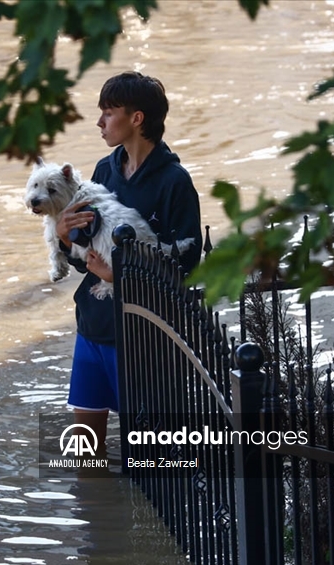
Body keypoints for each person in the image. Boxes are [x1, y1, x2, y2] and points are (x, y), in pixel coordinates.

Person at [54, 71, 202, 457]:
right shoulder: (104, 170)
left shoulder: (175, 182)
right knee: (83, 456)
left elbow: (186, 265)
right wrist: (65, 237)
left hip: (142, 337)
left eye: (108, 112)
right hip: (92, 326)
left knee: (153, 463)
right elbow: (85, 259)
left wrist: (118, 274)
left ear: (137, 118)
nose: (99, 122)